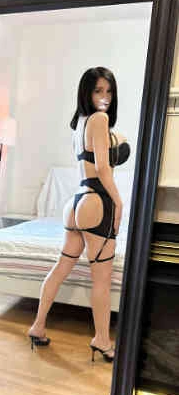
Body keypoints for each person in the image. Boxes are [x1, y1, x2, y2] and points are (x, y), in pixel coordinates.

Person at [27, 66, 130, 363]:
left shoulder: (81, 123)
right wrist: (119, 202)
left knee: (61, 268)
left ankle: (38, 326)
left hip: (76, 203)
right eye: (98, 91)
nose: (105, 97)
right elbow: (103, 169)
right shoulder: (99, 119)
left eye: (109, 91)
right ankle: (102, 339)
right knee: (102, 279)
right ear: (87, 92)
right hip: (97, 201)